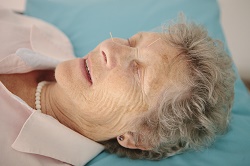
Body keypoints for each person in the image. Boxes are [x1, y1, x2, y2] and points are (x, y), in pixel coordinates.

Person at [0, 7, 235, 165]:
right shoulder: (50, 36)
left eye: (137, 72)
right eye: (131, 41)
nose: (109, 48)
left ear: (139, 136)